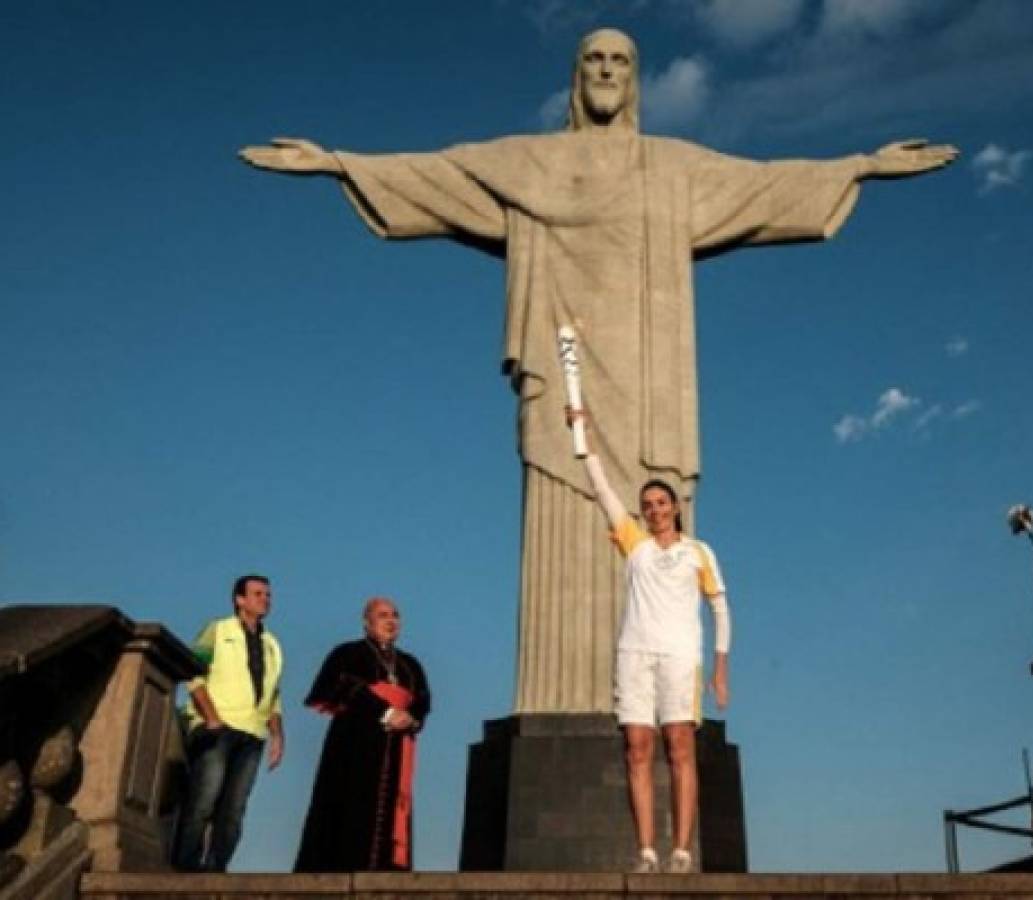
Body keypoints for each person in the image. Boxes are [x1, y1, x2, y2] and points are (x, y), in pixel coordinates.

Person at [239, 29, 956, 717]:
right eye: (594, 59)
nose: (608, 70)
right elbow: (441, 173)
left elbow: (764, 187)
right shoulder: (529, 164)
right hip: (566, 378)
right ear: (577, 77)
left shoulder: (673, 167)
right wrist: (338, 162)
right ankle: (556, 698)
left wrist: (860, 164)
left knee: (656, 533)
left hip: (650, 389)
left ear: (636, 79)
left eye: (621, 60)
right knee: (564, 509)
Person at [568, 409, 730, 875]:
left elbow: (720, 607)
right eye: (648, 504)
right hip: (634, 654)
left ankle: (681, 849)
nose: (655, 509)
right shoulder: (634, 543)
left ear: (676, 507)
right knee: (636, 746)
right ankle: (645, 850)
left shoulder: (698, 552)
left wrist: (720, 666)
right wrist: (582, 433)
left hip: (680, 656)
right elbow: (601, 489)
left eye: (662, 502)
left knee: (679, 745)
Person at [294, 597, 431, 872]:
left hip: (397, 747)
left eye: (395, 615)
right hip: (355, 744)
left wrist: (410, 717)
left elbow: (423, 698)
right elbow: (339, 685)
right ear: (367, 622)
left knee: (394, 811)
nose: (391, 621)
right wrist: (386, 711)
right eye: (382, 615)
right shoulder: (347, 653)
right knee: (351, 808)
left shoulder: (409, 664)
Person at [174, 574, 284, 872]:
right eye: (258, 594)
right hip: (217, 728)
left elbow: (273, 695)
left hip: (253, 735)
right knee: (204, 800)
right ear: (240, 600)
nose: (266, 599)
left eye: (268, 595)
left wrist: (277, 736)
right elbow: (192, 674)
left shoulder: (272, 644)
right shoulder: (217, 630)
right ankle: (184, 869)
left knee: (234, 810)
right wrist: (211, 717)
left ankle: (215, 871)